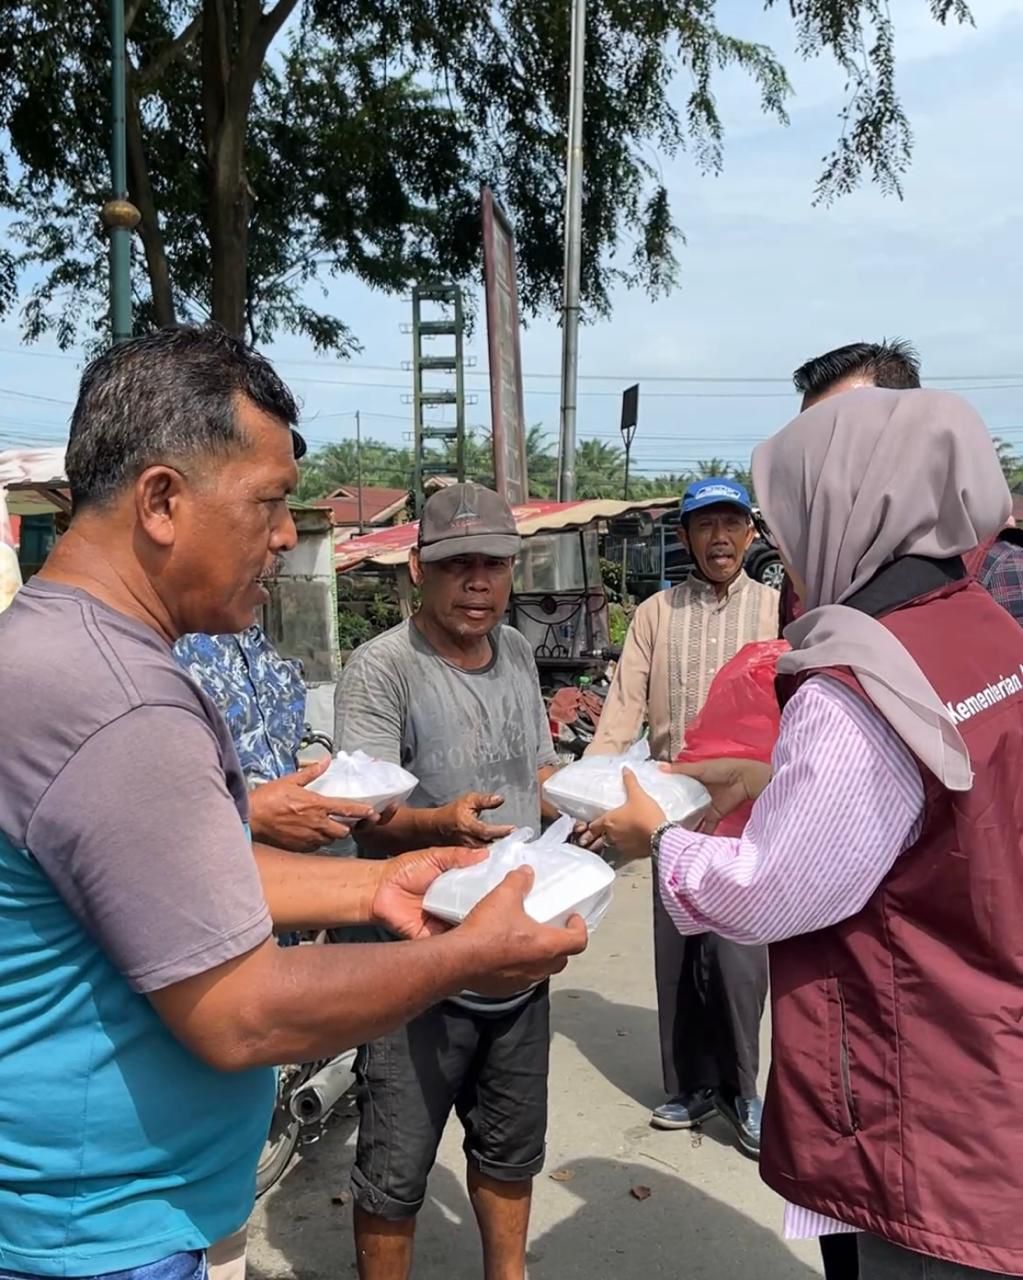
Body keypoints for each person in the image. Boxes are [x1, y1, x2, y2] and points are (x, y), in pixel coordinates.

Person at [0, 327, 587, 1280]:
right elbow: (243, 1010)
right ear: (161, 500)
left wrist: (376, 888)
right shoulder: (118, 701)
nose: (284, 535)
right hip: (96, 1234)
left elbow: (183, 872)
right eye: (268, 503)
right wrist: (466, 953)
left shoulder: (60, 650)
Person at [593, 387, 1023, 1279]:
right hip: (984, 1039)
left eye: (785, 512)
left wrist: (655, 840)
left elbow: (776, 888)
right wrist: (761, 779)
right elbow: (932, 807)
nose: (780, 539)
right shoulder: (981, 628)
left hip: (909, 1073)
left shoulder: (855, 675)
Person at [334, 482, 562, 1280]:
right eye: (457, 564)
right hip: (412, 961)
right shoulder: (381, 669)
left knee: (510, 1146)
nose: (477, 582)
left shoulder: (519, 653)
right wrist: (440, 825)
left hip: (514, 951)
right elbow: (366, 816)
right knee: (395, 1169)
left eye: (493, 565)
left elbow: (535, 766)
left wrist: (581, 803)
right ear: (416, 574)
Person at [589, 477, 777, 1155]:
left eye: (731, 525)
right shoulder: (656, 613)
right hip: (670, 800)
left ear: (750, 535)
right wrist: (595, 787)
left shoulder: (778, 609)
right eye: (704, 527)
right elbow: (620, 711)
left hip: (752, 807)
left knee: (737, 956)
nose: (718, 538)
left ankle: (746, 1091)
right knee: (679, 951)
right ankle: (690, 1087)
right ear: (686, 537)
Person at [790, 338, 1023, 627]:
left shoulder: (999, 569)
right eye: (813, 446)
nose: (826, 466)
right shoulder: (805, 575)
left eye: (848, 438)